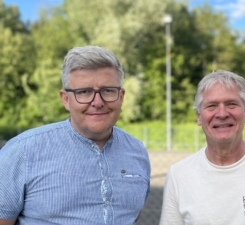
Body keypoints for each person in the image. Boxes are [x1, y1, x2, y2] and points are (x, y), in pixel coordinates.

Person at [0, 46, 151, 225]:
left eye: (108, 90)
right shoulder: (22, 152)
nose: (97, 102)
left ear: (121, 96)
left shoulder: (137, 152)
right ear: (65, 99)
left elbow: (131, 216)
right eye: (84, 92)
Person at [159, 70, 245, 225]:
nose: (222, 114)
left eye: (231, 104)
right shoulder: (179, 175)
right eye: (211, 106)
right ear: (199, 117)